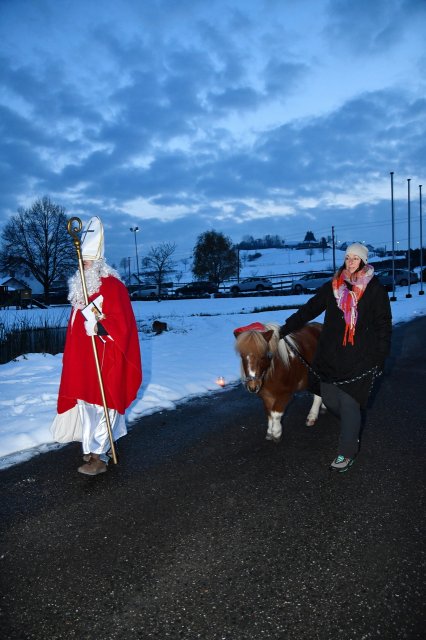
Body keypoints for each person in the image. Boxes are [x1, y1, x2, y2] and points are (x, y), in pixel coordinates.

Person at [279, 243, 392, 473]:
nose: (350, 262)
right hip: (330, 356)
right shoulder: (333, 286)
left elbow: (383, 326)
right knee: (330, 399)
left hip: (360, 358)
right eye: (347, 257)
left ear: (363, 261)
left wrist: (380, 357)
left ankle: (347, 451)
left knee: (350, 404)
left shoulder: (375, 290)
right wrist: (285, 329)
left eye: (355, 258)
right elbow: (309, 309)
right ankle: (352, 427)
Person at [51, 216, 142, 476]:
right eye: (82, 262)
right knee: (87, 406)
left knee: (103, 406)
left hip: (106, 359)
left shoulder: (113, 287)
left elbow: (123, 325)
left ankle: (98, 456)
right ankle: (92, 448)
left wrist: (101, 328)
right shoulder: (79, 290)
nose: (84, 266)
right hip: (83, 362)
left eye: (88, 262)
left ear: (98, 263)